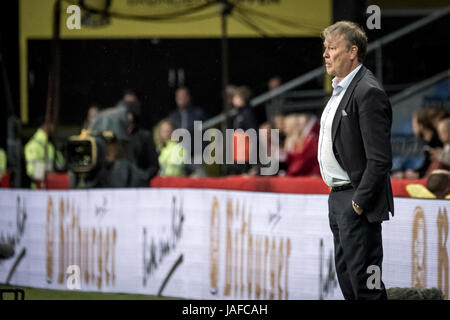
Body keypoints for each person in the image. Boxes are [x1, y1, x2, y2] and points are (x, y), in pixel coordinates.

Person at [318, 21, 393, 300]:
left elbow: (380, 160)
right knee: (349, 283)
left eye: (332, 48)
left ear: (352, 52)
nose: (326, 54)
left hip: (356, 199)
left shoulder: (367, 91)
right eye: (325, 48)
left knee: (366, 289)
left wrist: (358, 203)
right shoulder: (340, 89)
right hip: (339, 198)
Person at [24, 120, 65, 189]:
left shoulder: (50, 145)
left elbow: (61, 165)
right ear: (45, 125)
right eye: (53, 125)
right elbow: (32, 172)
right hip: (38, 190)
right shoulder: (33, 145)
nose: (54, 128)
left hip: (53, 187)